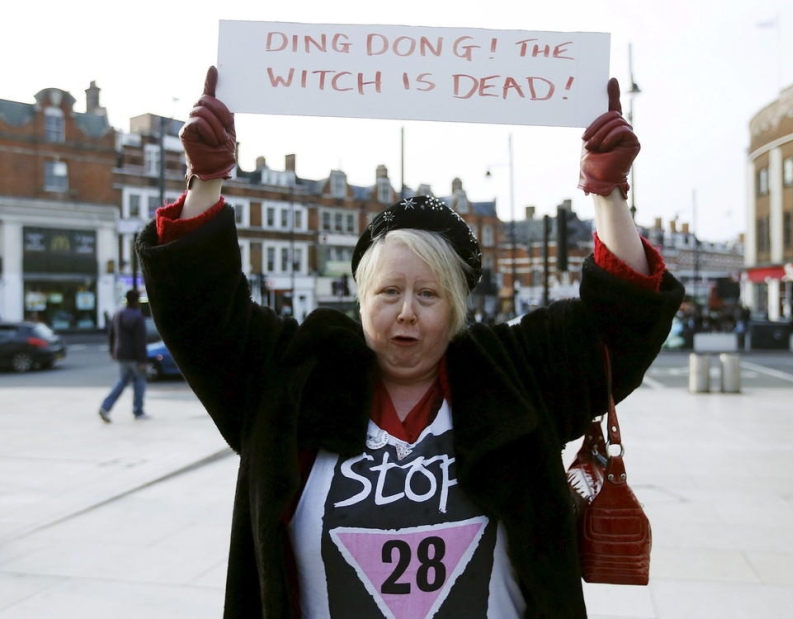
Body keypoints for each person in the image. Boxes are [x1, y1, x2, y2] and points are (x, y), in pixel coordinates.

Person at [136, 67, 684, 618]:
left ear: (456, 309)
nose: (406, 313)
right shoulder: (294, 378)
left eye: (428, 294)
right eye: (388, 292)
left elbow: (618, 324)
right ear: (360, 300)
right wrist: (204, 182)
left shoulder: (516, 377)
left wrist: (609, 195)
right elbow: (202, 316)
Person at [98, 289, 149, 422]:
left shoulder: (119, 314)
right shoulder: (137, 317)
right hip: (134, 356)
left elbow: (112, 334)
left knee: (122, 381)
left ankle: (105, 406)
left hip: (121, 353)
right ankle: (138, 411)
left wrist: (112, 350)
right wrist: (143, 360)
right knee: (139, 382)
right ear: (137, 300)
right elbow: (140, 340)